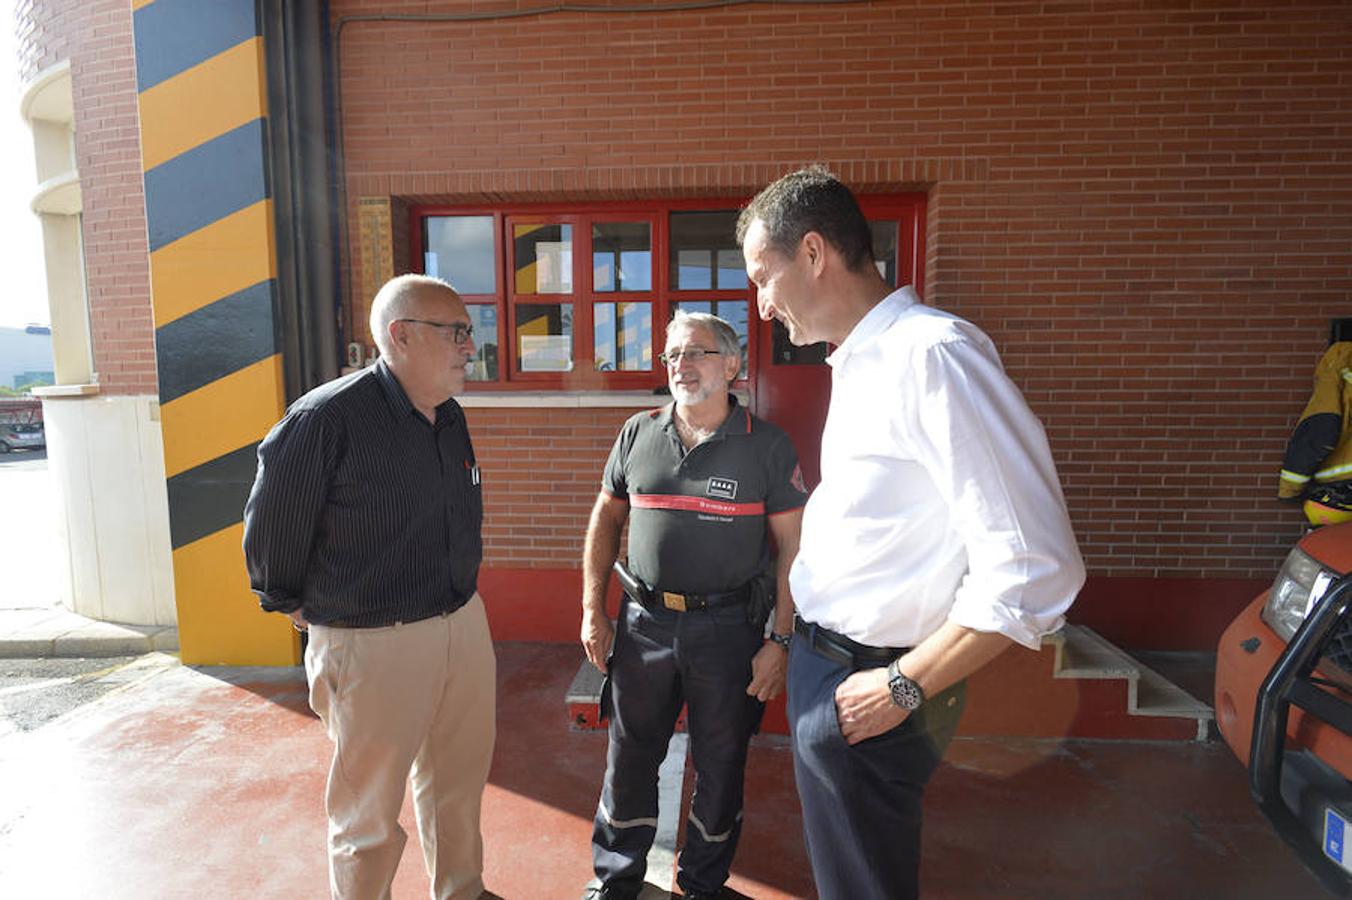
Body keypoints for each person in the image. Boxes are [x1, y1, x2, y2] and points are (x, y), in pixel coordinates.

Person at [736, 168, 1086, 900]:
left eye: (764, 278)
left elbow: (1036, 565)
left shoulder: (933, 355)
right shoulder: (864, 360)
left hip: (878, 681)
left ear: (812, 253)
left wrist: (902, 686)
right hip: (829, 666)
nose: (762, 305)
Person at [242, 273, 497, 900]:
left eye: (470, 333)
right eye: (457, 332)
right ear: (400, 335)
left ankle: (460, 890)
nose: (472, 346)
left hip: (461, 625)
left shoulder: (448, 417)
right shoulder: (326, 418)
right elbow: (272, 530)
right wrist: (299, 606)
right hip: (371, 643)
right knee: (368, 815)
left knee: (458, 788)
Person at [579, 311, 807, 900]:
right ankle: (615, 878)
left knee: (722, 763)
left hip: (729, 631)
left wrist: (778, 640)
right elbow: (606, 518)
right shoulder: (637, 432)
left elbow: (792, 551)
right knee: (629, 757)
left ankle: (704, 883)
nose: (681, 365)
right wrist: (592, 610)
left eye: (697, 353)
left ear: (732, 365)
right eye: (672, 355)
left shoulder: (768, 446)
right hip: (644, 626)